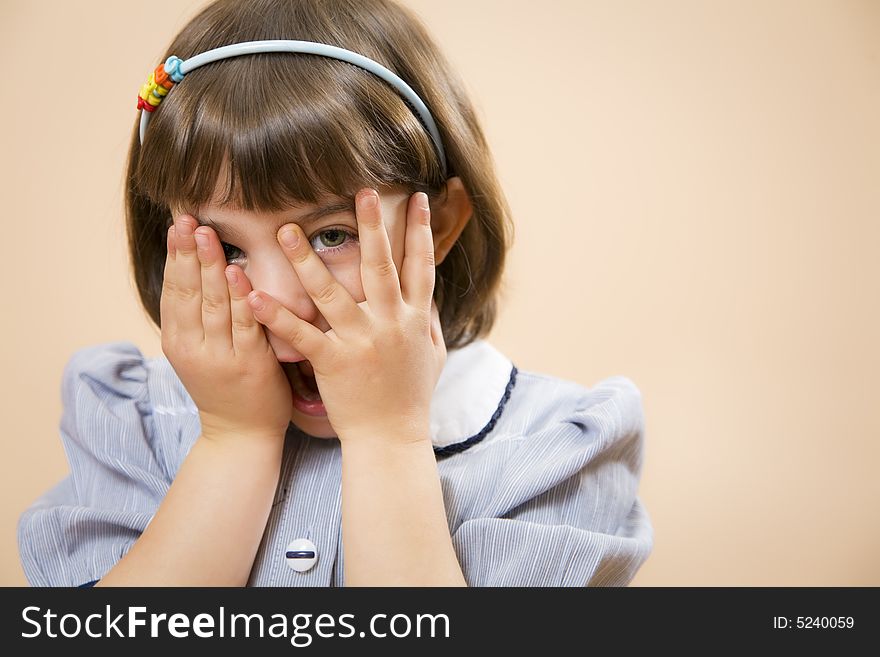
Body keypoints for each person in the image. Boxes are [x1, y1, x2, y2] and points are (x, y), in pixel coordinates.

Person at [17, 0, 653, 587]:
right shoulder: (136, 425)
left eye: (330, 236)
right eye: (228, 248)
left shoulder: (552, 449)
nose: (282, 298)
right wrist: (232, 439)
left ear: (445, 224)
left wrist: (386, 436)